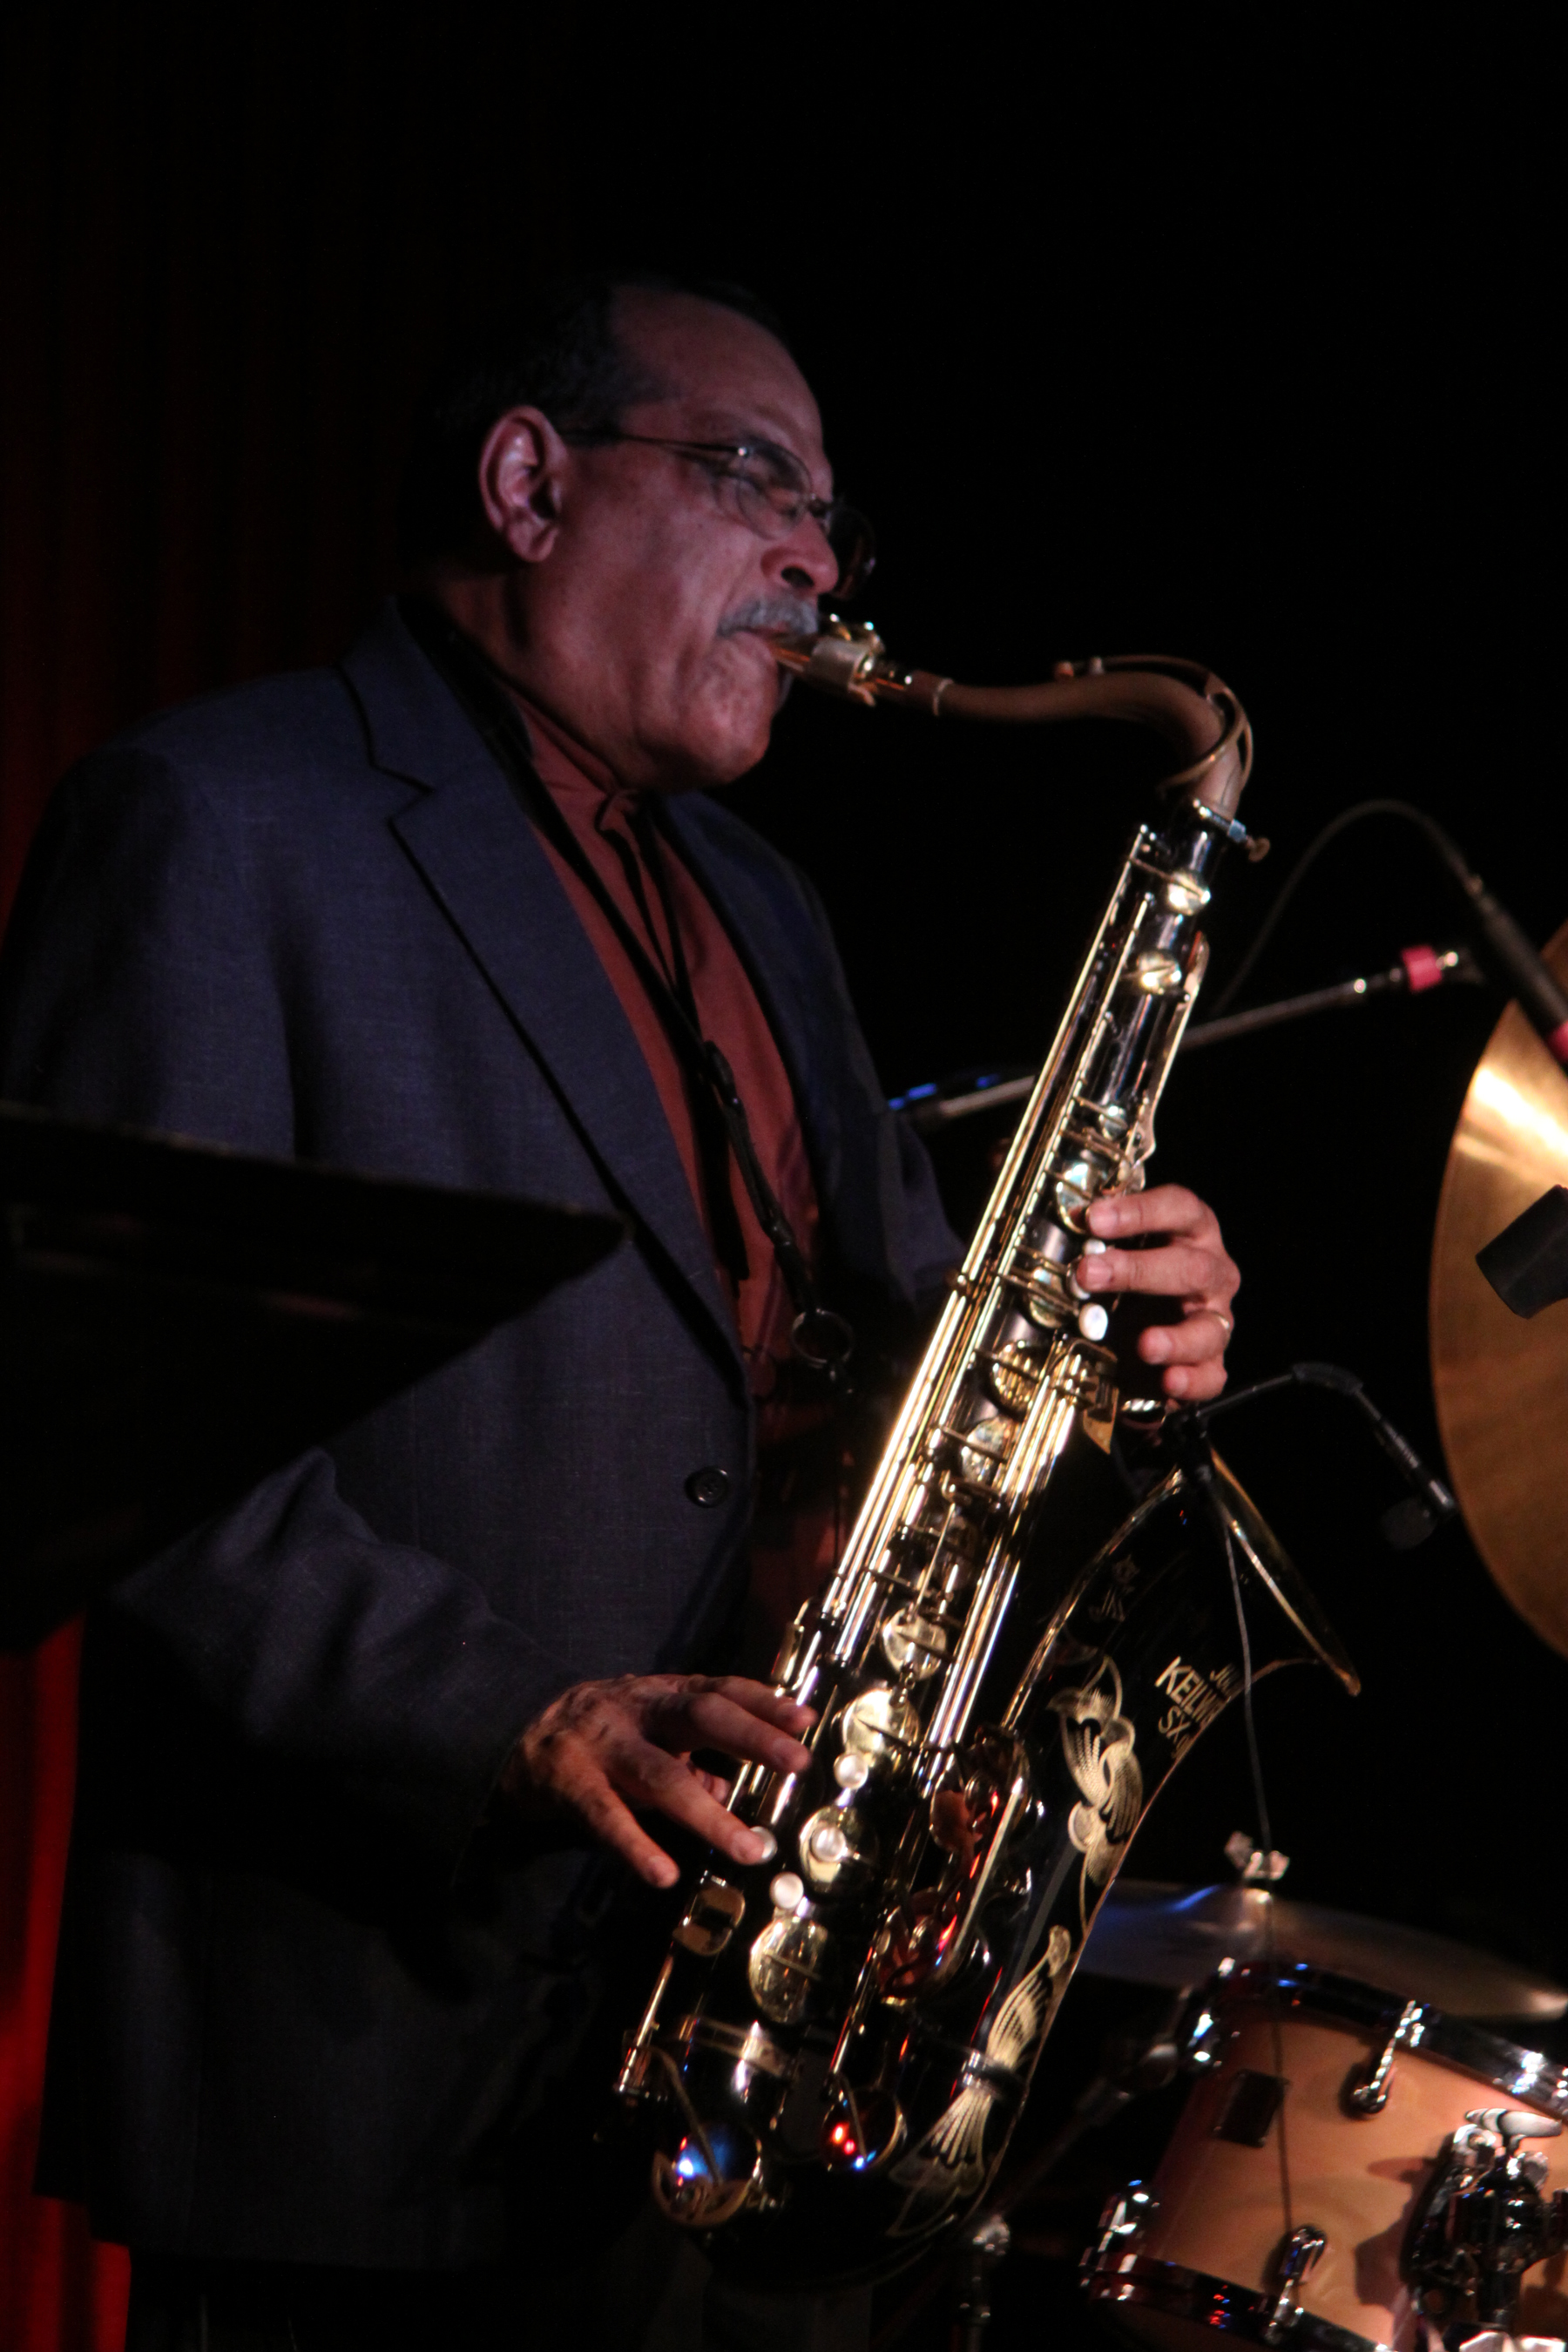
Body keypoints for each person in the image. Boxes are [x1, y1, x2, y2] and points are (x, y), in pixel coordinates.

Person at [0, 274, 1240, 2350]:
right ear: (530, 485)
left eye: (837, 520)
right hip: (379, 2068)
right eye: (760, 480)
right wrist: (520, 1717)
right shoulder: (217, 819)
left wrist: (1116, 1338)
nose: (821, 564)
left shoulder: (762, 902)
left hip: (744, 2063)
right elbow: (111, 1429)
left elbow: (922, 1354)